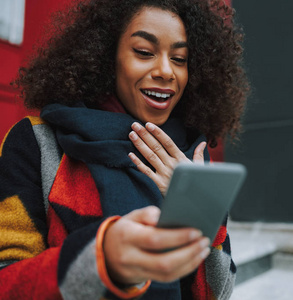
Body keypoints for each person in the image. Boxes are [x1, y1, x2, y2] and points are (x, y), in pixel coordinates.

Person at [0, 0, 248, 299]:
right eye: (144, 52)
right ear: (106, 56)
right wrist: (104, 258)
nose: (167, 71)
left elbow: (219, 293)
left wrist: (197, 210)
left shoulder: (188, 155)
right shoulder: (37, 143)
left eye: (180, 58)